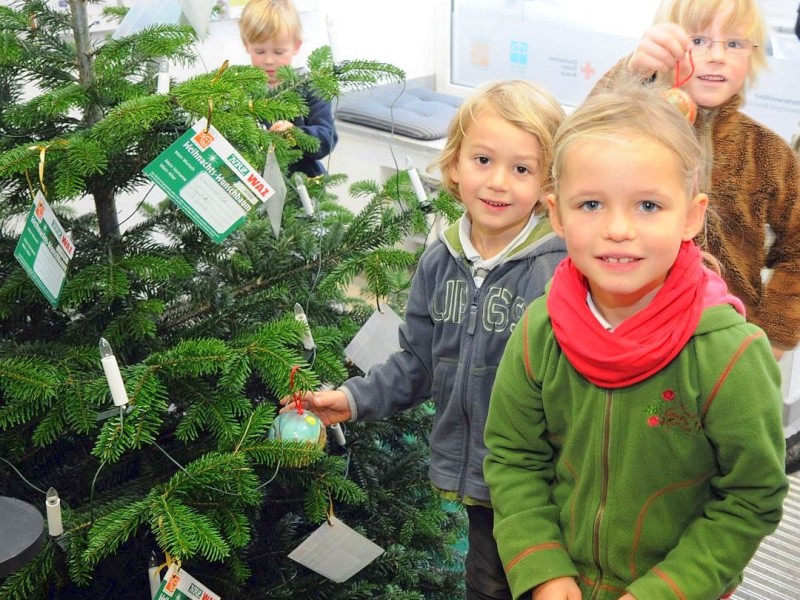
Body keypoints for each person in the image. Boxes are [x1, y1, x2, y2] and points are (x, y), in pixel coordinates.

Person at [483, 79, 789, 600]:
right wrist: (542, 566)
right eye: (591, 205)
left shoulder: (728, 354)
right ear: (556, 214)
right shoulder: (539, 331)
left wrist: (668, 590)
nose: (618, 229)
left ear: (691, 216)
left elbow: (750, 496)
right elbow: (513, 456)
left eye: (648, 205)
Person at [286, 80, 567, 599]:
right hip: (483, 490)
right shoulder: (439, 262)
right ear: (455, 164)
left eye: (521, 168)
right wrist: (352, 399)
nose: (498, 182)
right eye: (483, 160)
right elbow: (417, 362)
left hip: (548, 490)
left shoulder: (560, 270)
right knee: (486, 586)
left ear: (548, 183)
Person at [596, 0, 800, 361]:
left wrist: (778, 333)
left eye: (734, 44)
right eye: (699, 41)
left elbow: (797, 246)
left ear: (752, 57)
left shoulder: (769, 152)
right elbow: (575, 153)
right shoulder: (635, 130)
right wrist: (632, 71)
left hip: (728, 343)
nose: (716, 56)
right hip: (632, 328)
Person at [239, 0, 337, 177]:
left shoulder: (311, 87)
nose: (269, 60)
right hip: (253, 185)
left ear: (296, 46)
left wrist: (295, 134)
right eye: (260, 51)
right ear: (246, 45)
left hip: (304, 184)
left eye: (278, 52)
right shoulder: (240, 90)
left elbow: (327, 138)